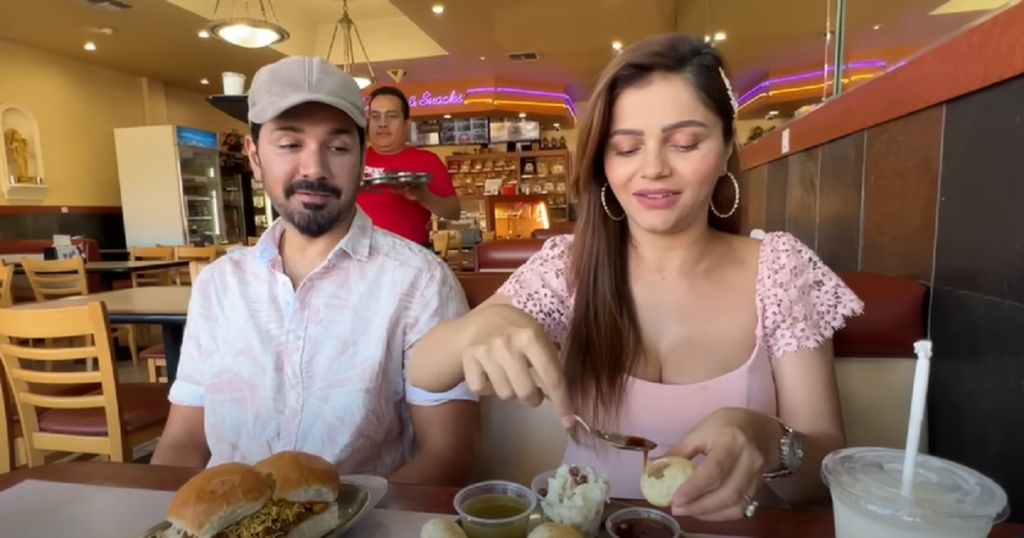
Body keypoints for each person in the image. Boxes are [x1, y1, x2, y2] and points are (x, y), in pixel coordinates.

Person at [407, 34, 864, 519]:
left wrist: (770, 440)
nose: (653, 168)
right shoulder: (569, 267)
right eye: (626, 148)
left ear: (727, 146)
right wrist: (480, 328)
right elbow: (424, 371)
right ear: (602, 163)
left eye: (684, 144)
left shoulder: (779, 269)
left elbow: (824, 474)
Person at [151, 56, 480, 487]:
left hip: (370, 517)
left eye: (338, 147)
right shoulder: (219, 284)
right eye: (290, 144)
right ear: (254, 157)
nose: (314, 169)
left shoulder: (421, 283)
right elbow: (184, 440)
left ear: (362, 158)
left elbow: (449, 453)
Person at [358, 86, 461, 247]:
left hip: (412, 251)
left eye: (392, 116)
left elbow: (453, 212)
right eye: (375, 116)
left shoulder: (427, 160)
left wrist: (424, 197)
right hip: (359, 252)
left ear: (407, 124)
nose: (382, 124)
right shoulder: (353, 158)